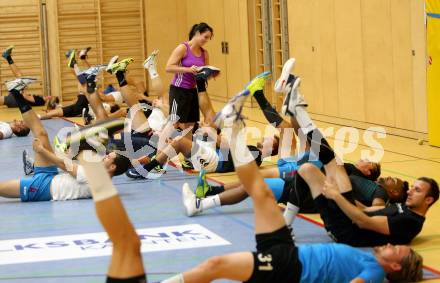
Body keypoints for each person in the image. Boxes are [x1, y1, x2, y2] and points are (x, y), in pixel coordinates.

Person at [161, 89, 424, 283]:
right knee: (261, 191)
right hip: (289, 251)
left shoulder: (375, 273)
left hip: (288, 268)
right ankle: (234, 126)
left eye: (396, 249)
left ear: (395, 267)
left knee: (217, 264)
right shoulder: (372, 260)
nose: (390, 245)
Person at [276, 58, 439, 246]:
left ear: (428, 200)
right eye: (413, 187)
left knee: (332, 162)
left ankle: (297, 107)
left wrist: (338, 196)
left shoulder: (410, 222)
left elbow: (363, 221)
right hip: (346, 219)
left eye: (417, 190)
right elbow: (368, 212)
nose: (410, 191)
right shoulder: (404, 208)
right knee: (307, 170)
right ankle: (296, 107)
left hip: (345, 231)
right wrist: (352, 201)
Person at [0, 77, 130, 203]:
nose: (105, 156)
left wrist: (41, 150)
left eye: (108, 158)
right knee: (41, 133)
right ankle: (15, 92)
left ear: (112, 166)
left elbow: (64, 165)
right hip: (52, 175)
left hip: (42, 188)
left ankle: (16, 93)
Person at [165, 22, 218, 129]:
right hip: (179, 90)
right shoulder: (183, 48)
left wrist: (211, 74)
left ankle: (187, 144)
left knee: (190, 124)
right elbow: (168, 67)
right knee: (175, 124)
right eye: (205, 37)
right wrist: (188, 69)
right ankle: (165, 143)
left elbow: (203, 74)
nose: (206, 40)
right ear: (198, 33)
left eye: (208, 38)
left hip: (193, 91)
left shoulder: (205, 53)